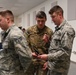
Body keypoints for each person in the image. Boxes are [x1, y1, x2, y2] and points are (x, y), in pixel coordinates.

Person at [38, 5, 75, 75]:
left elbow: (65, 53)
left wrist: (47, 57)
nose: (52, 19)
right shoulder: (58, 29)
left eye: (53, 17)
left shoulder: (67, 30)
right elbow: (55, 48)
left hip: (59, 69)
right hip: (53, 66)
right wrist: (48, 42)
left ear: (60, 15)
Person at [0, 10, 32, 75]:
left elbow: (27, 56)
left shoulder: (15, 34)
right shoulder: (6, 33)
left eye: (0, 20)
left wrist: (20, 71)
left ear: (8, 19)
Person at [26, 11, 53, 75]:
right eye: (38, 21)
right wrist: (29, 53)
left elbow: (53, 48)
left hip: (43, 61)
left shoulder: (49, 32)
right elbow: (24, 45)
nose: (40, 23)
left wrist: (49, 62)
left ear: (46, 19)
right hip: (31, 60)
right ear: (36, 19)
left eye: (42, 21)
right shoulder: (30, 30)